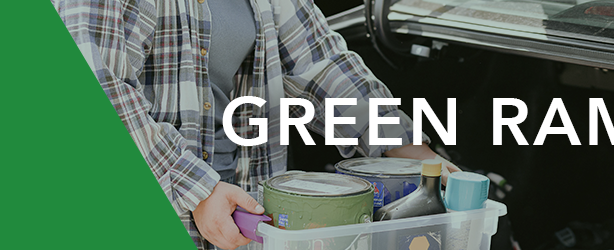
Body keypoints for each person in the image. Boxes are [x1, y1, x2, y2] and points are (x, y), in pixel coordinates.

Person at [52, 0, 458, 249]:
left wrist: (409, 150)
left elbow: (318, 62)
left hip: (240, 216)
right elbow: (94, 83)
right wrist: (196, 188)